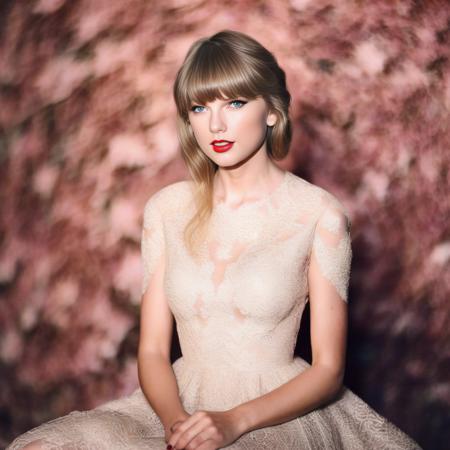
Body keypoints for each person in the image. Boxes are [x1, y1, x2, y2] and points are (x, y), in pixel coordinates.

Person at [8, 29, 421, 450]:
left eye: (236, 103)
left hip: (274, 411)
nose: (216, 124)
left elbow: (329, 370)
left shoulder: (319, 214)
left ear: (273, 112)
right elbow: (152, 352)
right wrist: (175, 425)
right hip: (176, 401)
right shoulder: (166, 210)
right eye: (200, 107)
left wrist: (231, 422)